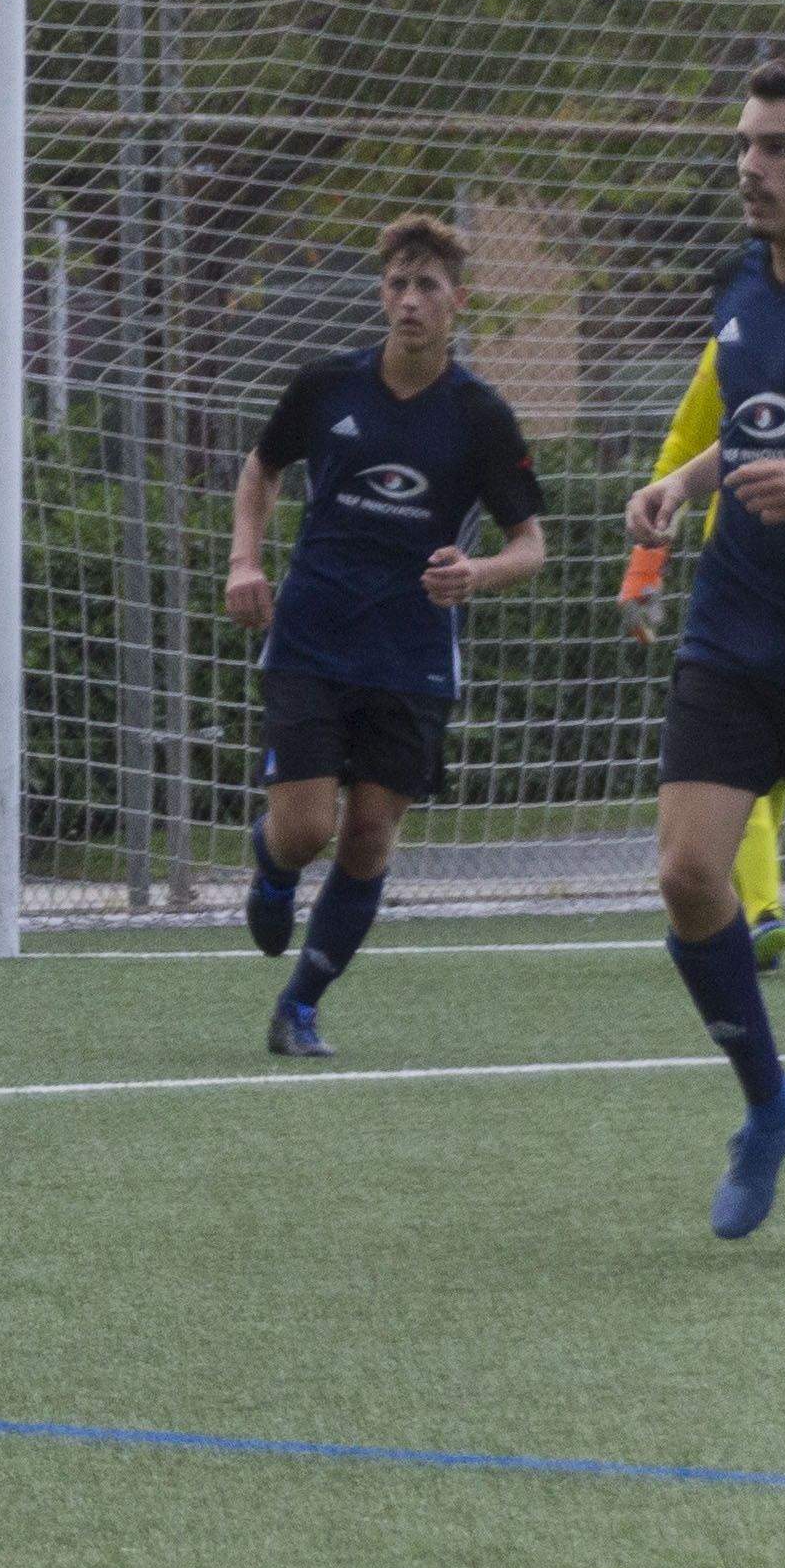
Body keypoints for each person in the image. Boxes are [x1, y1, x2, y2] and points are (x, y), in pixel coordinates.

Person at [624, 58, 785, 1243]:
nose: (749, 167)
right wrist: (677, 479)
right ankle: (768, 1102)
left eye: (777, 147)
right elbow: (748, 425)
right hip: (734, 625)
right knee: (683, 871)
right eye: (743, 145)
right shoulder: (741, 283)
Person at [227, 214, 548, 1058]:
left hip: (411, 654)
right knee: (305, 830)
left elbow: (531, 545)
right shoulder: (327, 386)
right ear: (381, 296)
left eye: (428, 287)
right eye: (398, 286)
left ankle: (300, 1003)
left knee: (369, 833)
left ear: (457, 304)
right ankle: (270, 862)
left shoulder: (481, 416)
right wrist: (243, 560)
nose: (410, 301)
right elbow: (261, 467)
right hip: (312, 634)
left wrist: (475, 574)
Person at [617, 341, 785, 970]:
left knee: (781, 769)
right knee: (731, 761)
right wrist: (645, 560)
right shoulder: (736, 337)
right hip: (742, 583)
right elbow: (685, 445)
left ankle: (757, 906)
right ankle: (761, 911)